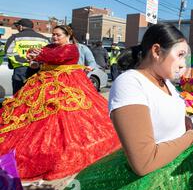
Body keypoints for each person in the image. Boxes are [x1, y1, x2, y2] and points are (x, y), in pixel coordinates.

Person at [43, 23, 193, 190]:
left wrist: (190, 123)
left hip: (175, 175)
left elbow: (167, 115)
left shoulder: (165, 81)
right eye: (180, 55)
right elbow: (144, 162)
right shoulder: (130, 83)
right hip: (149, 188)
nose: (184, 64)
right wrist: (192, 136)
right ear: (157, 51)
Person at [0, 25, 121, 181]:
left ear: (67, 36)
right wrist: (35, 61)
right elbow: (39, 59)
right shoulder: (49, 47)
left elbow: (56, 57)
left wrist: (39, 54)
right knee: (31, 115)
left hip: (66, 84)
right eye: (53, 35)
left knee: (66, 117)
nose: (54, 38)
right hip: (43, 83)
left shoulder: (71, 48)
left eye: (58, 35)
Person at [5, 19, 49, 94]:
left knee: (18, 95)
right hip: (38, 69)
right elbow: (48, 54)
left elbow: (9, 52)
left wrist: (25, 60)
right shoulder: (44, 39)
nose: (17, 28)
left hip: (21, 70)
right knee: (35, 95)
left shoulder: (15, 37)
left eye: (17, 26)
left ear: (21, 27)